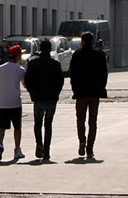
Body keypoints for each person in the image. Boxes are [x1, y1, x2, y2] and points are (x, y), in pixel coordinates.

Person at [70, 30, 108, 159]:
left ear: (83, 41)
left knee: (80, 119)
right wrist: (101, 87)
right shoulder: (99, 54)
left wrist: (75, 89)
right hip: (94, 92)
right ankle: (90, 148)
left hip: (81, 93)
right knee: (93, 121)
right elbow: (104, 73)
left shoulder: (77, 54)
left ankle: (82, 140)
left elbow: (73, 74)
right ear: (92, 41)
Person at [23, 38, 64, 161]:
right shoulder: (55, 64)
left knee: (38, 123)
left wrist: (32, 92)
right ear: (50, 49)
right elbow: (60, 81)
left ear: (39, 49)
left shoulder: (33, 63)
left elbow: (27, 80)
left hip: (38, 97)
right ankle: (46, 150)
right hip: (51, 98)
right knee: (48, 124)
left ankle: (39, 144)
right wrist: (56, 93)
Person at [0, 44, 26, 162]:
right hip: (15, 102)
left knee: (1, 126)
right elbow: (25, 85)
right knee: (17, 127)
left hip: (3, 102)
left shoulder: (1, 68)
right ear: (17, 56)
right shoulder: (20, 70)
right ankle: (17, 149)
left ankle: (0, 143)